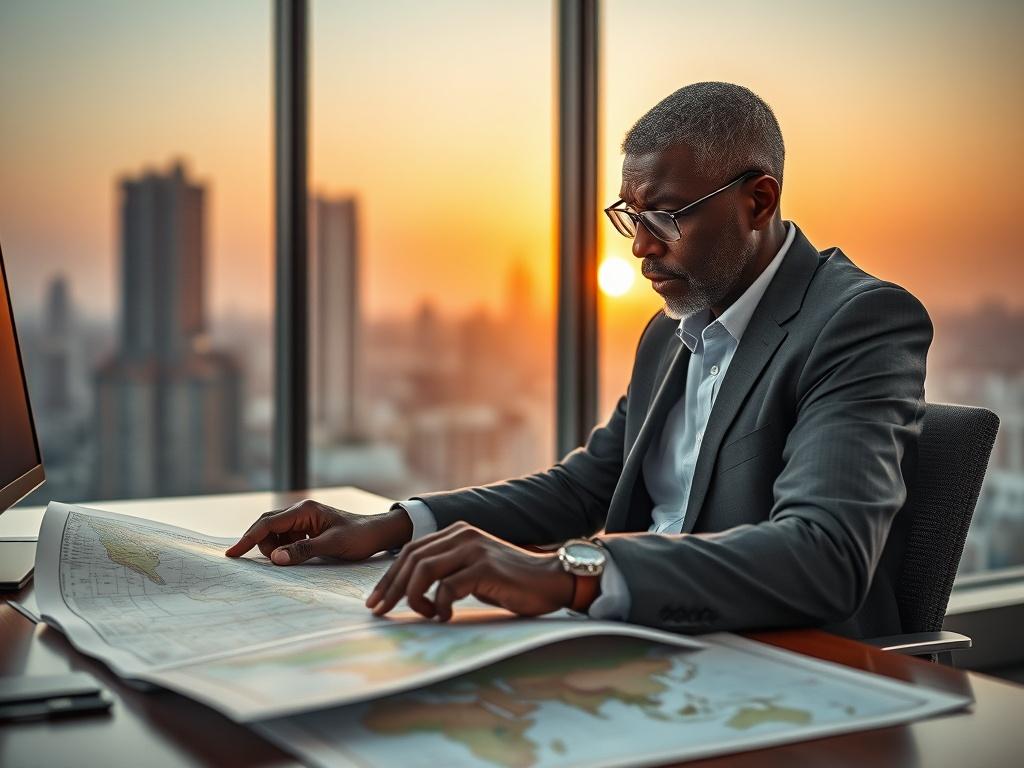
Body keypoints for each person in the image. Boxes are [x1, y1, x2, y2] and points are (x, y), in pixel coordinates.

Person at [226, 82, 932, 638]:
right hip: (644, 645)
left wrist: (575, 574)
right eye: (630, 217)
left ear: (759, 200)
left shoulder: (857, 322)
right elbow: (584, 489)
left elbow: (824, 555)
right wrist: (398, 524)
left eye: (664, 217)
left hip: (787, 669)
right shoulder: (672, 332)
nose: (640, 248)